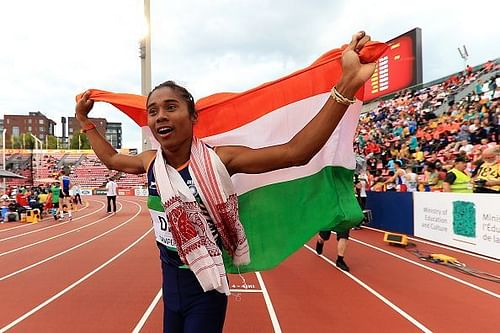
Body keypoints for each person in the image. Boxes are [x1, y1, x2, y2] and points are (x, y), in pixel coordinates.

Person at [75, 31, 376, 333]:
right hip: (171, 286)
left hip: (205, 289)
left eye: (171, 107)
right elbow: (112, 159)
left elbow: (296, 152)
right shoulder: (150, 161)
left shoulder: (220, 159)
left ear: (193, 117)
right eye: (152, 111)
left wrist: (346, 84)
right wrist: (85, 121)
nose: (160, 117)